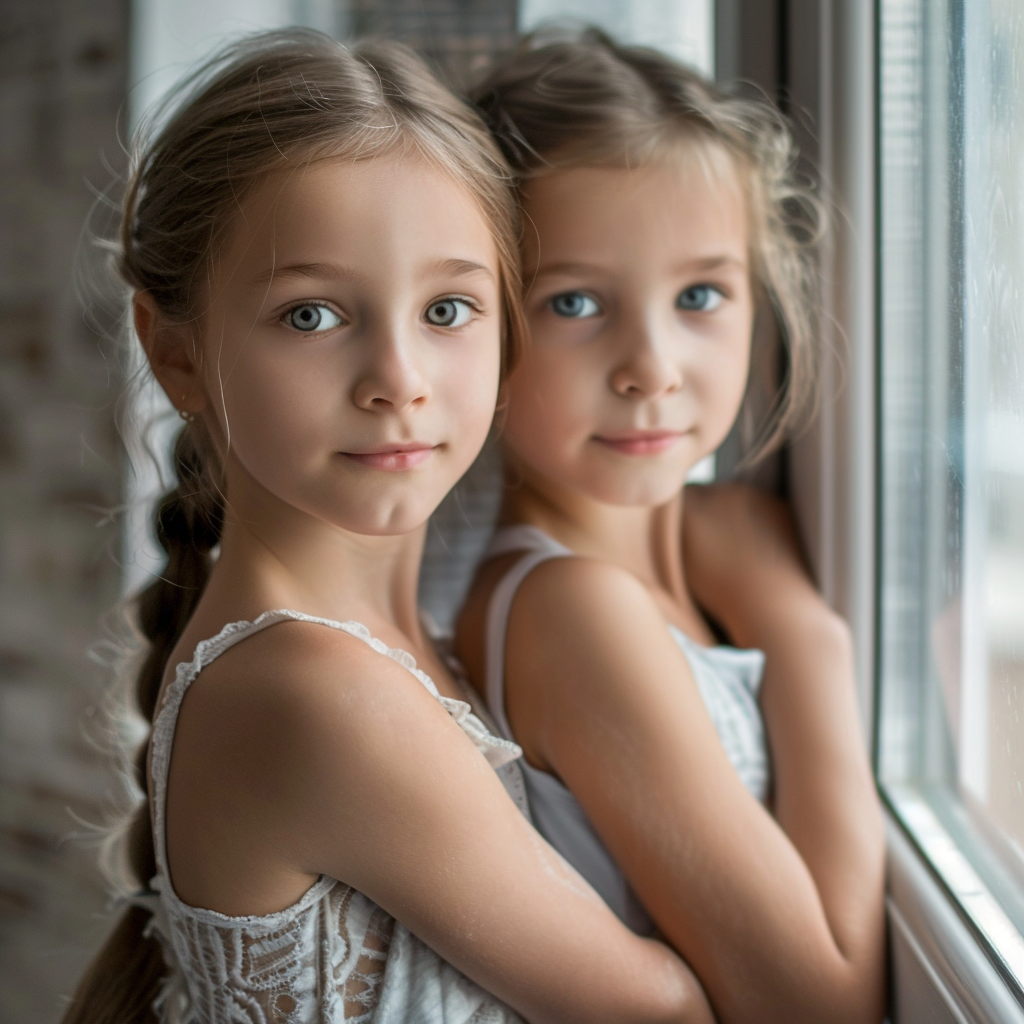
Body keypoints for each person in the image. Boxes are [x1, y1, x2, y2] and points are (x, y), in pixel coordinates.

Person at [61, 29, 716, 1024]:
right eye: (312, 316)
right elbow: (667, 1010)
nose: (399, 383)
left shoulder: (420, 638)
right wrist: (803, 641)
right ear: (177, 353)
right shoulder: (317, 695)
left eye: (448, 310)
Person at [456, 28, 886, 1024]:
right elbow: (816, 1010)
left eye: (699, 294)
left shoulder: (673, 565)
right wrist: (802, 634)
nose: (651, 364)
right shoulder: (570, 608)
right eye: (573, 301)